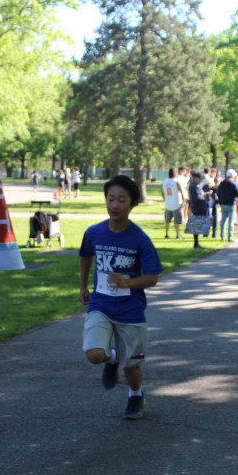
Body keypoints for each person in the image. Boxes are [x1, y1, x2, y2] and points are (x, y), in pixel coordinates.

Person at [78, 175, 163, 420]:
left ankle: (135, 394)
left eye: (121, 200)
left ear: (133, 203)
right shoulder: (94, 232)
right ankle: (112, 358)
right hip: (101, 304)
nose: (114, 205)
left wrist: (128, 283)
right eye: (110, 199)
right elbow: (86, 255)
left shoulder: (140, 239)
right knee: (95, 354)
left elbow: (152, 277)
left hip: (130, 310)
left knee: (132, 365)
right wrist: (83, 285)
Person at [216, 169, 238, 241]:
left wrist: (220, 201)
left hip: (223, 204)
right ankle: (230, 237)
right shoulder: (233, 184)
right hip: (231, 204)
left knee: (223, 220)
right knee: (231, 221)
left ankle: (222, 236)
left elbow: (218, 193)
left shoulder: (222, 183)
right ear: (232, 176)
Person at [188, 172, 210, 249]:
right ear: (196, 178)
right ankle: (196, 243)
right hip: (197, 208)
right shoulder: (193, 187)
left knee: (198, 226)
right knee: (196, 226)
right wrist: (205, 195)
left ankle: (197, 243)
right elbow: (196, 198)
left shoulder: (196, 186)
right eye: (200, 179)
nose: (200, 181)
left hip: (200, 207)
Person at [161, 167, 184, 239]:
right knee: (177, 221)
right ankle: (177, 234)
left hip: (167, 204)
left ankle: (166, 234)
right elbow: (181, 191)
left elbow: (162, 192)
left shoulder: (164, 181)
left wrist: (165, 200)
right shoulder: (176, 181)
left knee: (167, 221)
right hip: (176, 204)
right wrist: (183, 201)